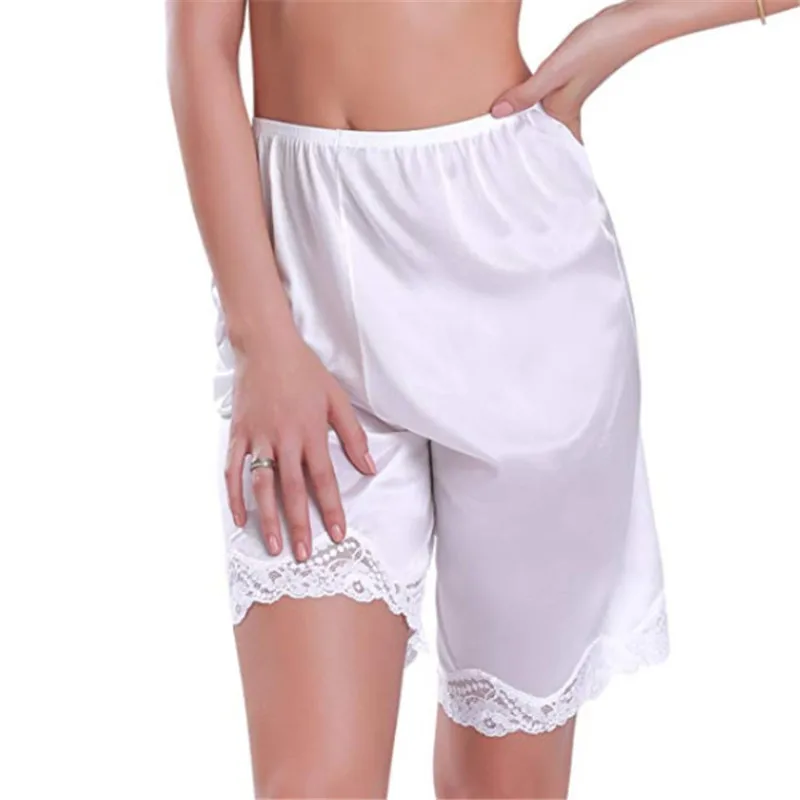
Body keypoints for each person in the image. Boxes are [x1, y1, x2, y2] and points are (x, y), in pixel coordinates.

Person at [166, 1, 797, 797]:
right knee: (311, 782)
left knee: (500, 787)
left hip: (520, 278)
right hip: (298, 295)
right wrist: (262, 340)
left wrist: (615, 35)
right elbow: (199, 46)